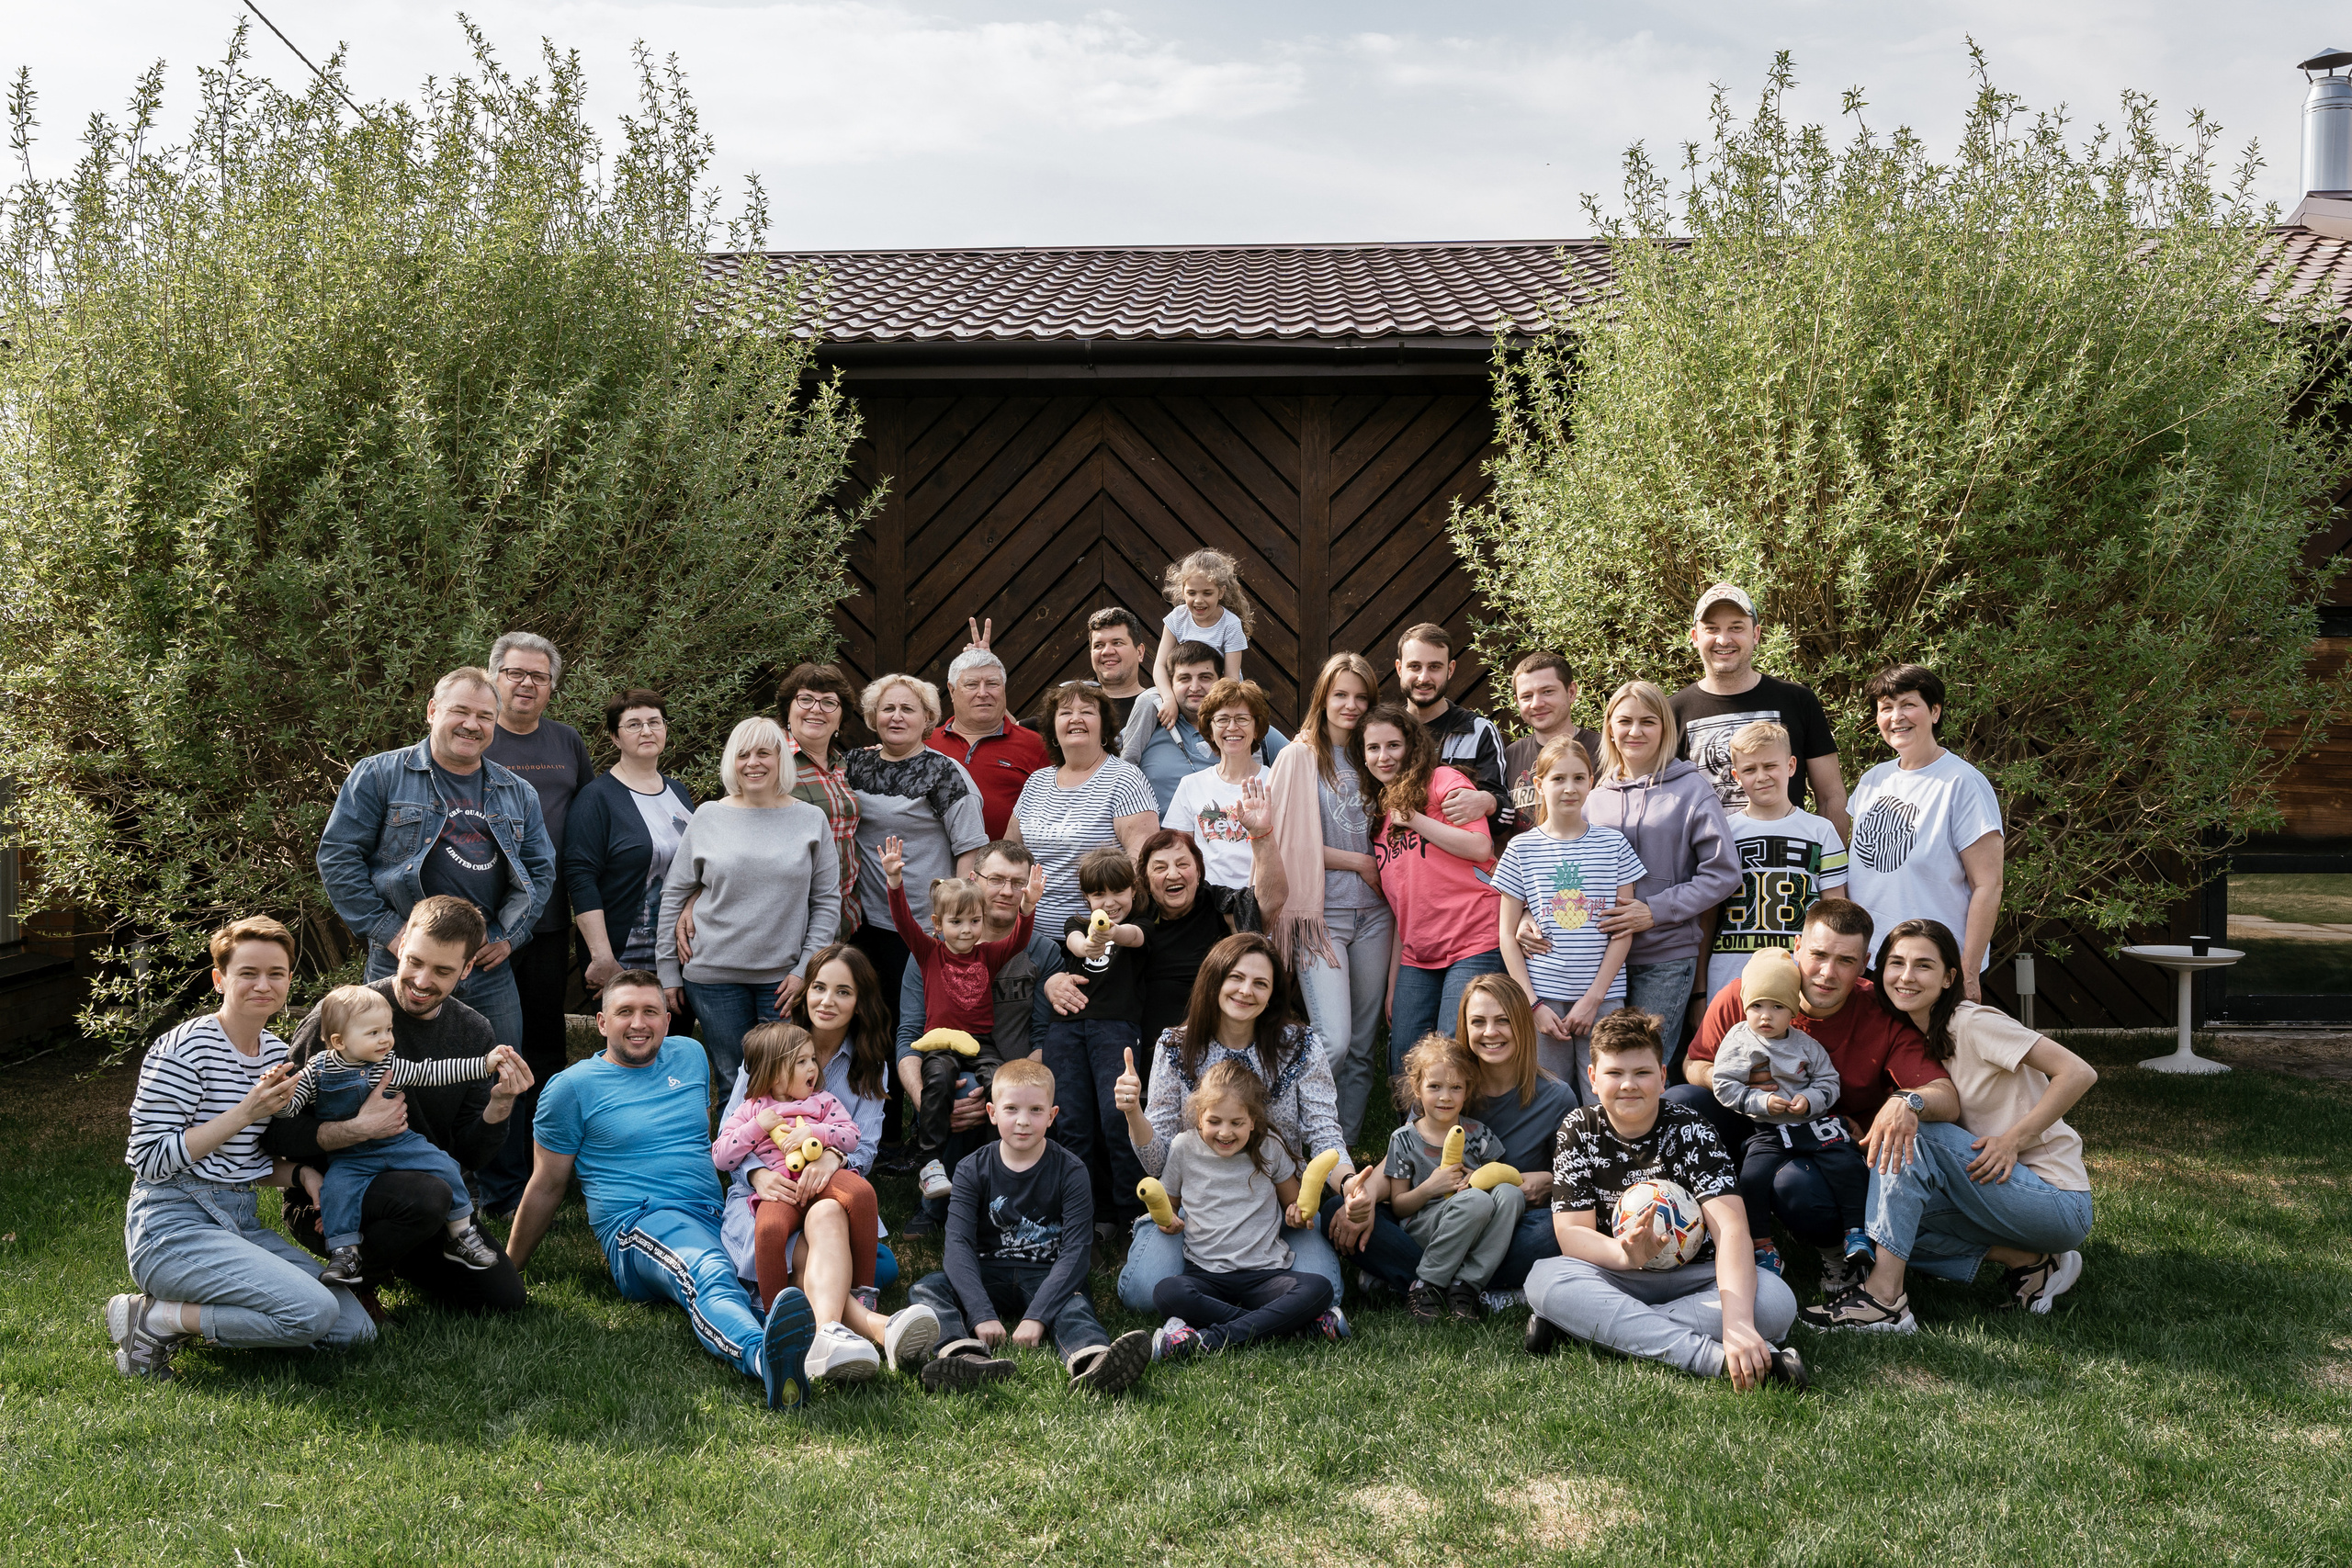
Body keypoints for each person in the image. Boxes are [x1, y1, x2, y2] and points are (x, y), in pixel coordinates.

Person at [507, 973, 824, 1411]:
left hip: (718, 1212)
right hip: (640, 1221)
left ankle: (841, 1342)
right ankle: (761, 1356)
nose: (639, 1023)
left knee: (831, 1255)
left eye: (650, 1012)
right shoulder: (571, 1089)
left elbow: (717, 1139)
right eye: (625, 1012)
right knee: (709, 1269)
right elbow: (546, 1185)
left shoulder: (690, 1056)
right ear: (601, 1022)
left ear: (668, 1019)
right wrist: (507, 1271)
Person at [107, 918, 374, 1380]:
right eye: (247, 973)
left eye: (276, 973)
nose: (262, 984)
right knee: (311, 1313)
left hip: (238, 1220)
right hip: (171, 1225)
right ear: (220, 979)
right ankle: (155, 1318)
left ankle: (181, 1313)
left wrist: (300, 1175)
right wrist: (246, 1112)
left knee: (354, 1331)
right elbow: (148, 1159)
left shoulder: (275, 1055)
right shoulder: (182, 1049)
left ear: (290, 980)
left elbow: (241, 1162)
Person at [1804, 919, 2097, 1332]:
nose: (1906, 976)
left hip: (2055, 1200)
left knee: (1913, 1131)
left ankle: (1885, 1300)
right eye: (1896, 963)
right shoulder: (1917, 1033)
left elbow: (2078, 1072)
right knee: (1882, 1227)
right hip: (1993, 1188)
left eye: (1923, 965)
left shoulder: (1973, 1022)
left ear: (1948, 978)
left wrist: (2015, 1140)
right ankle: (2029, 1263)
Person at [1673, 898, 1957, 1297]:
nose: (1827, 973)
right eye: (1818, 955)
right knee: (1681, 1102)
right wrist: (1738, 1086)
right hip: (1750, 1124)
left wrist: (1906, 1101)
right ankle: (1685, 1229)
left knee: (1796, 1188)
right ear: (1797, 947)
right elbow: (1693, 1062)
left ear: (1865, 963)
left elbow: (1945, 1096)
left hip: (1824, 1147)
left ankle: (1836, 1253)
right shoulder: (1750, 992)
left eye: (1845, 960)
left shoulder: (1882, 1012)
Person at [268, 897, 535, 1317]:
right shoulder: (341, 1015)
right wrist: (355, 1129)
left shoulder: (473, 1031)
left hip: (427, 1194)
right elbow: (273, 1133)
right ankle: (354, 1285)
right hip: (332, 1196)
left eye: (443, 971)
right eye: (414, 961)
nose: (421, 980)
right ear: (402, 943)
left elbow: (469, 1154)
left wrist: (499, 1107)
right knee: (429, 1195)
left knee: (502, 1299)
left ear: (467, 970)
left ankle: (402, 1253)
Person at [1522, 1008, 1806, 1389]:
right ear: (1592, 1078)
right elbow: (1572, 1233)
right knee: (1544, 1279)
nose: (1628, 1085)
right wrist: (1624, 1255)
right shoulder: (1578, 1129)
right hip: (1619, 1274)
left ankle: (1585, 1330)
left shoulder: (1691, 1128)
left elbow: (1732, 1228)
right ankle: (1714, 1359)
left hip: (1696, 1279)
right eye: (1614, 1073)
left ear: (1662, 1078)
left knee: (1775, 1301)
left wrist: (1737, 1321)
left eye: (1641, 1073)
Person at [316, 666, 557, 1061]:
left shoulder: (519, 793)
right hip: (402, 960)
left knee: (499, 1076)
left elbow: (540, 871)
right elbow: (338, 857)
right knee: (385, 1071)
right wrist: (389, 932)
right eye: (460, 711)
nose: (471, 724)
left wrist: (509, 935)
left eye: (484, 716)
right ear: (432, 711)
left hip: (484, 966)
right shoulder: (379, 775)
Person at [1112, 933, 1351, 1319]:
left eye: (1261, 983)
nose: (1246, 991)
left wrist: (1350, 1183)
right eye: (1236, 978)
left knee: (1328, 1288)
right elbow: (1158, 1164)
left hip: (1278, 1204)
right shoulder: (1176, 1047)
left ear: (1273, 993)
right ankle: (1266, 1308)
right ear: (1215, 980)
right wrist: (1132, 1114)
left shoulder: (1301, 1044)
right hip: (1199, 1208)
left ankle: (1217, 1307)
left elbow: (1324, 1133)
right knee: (1142, 1292)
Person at [717, 943, 919, 1382]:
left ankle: (822, 1337)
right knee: (834, 1257)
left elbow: (861, 1146)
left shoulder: (869, 1066)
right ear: (804, 992)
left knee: (830, 1219)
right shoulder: (771, 1051)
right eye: (819, 988)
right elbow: (728, 1138)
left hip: (828, 1193)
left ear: (860, 1001)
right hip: (769, 1192)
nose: (827, 1001)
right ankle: (872, 1328)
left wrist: (832, 1156)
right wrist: (758, 1173)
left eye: (843, 992)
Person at [910, 1058, 1155, 1393]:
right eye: (1011, 1109)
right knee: (928, 1288)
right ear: (992, 1112)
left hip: (1047, 1273)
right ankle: (963, 1355)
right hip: (986, 1271)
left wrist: (1037, 1316)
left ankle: (1093, 1361)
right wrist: (981, 1313)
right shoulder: (971, 1169)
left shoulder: (1071, 1170)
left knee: (1074, 1303)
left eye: (1036, 1110)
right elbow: (957, 1247)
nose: (1023, 1121)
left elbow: (1076, 1252)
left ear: (1052, 1116)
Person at [1328, 975, 1573, 1300]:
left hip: (1504, 1224)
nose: (1490, 1032)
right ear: (1465, 1027)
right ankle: (1474, 1287)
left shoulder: (1558, 1098)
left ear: (1523, 1026)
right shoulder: (1445, 1085)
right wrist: (1363, 1202)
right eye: (1478, 1022)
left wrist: (1541, 1180)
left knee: (1553, 1231)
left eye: (1503, 1021)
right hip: (1433, 1218)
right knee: (1334, 1208)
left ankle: (1414, 1280)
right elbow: (1400, 1159)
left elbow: (1574, 1182)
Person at [656, 715, 842, 1105]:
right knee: (733, 1080)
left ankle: (787, 1161)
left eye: (764, 753)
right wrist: (668, 971)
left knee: (789, 1078)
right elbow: (675, 895)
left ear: (782, 760)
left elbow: (826, 902)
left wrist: (804, 970)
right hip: (712, 976)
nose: (753, 763)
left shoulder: (810, 820)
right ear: (731, 762)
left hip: (783, 980)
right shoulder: (708, 816)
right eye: (743, 754)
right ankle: (737, 1163)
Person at [283, 984, 511, 1283]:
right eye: (374, 1033)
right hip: (350, 1156)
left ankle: (461, 1233)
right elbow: (291, 1109)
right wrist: (278, 1098)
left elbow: (433, 1072)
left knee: (445, 1166)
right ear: (339, 1041)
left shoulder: (388, 1065)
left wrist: (482, 1065)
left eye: (388, 1030)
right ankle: (345, 1255)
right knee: (336, 1191)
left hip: (399, 1145)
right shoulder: (317, 1070)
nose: (386, 1039)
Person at [479, 632, 595, 1213]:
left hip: (547, 922)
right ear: (494, 675)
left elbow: (589, 820)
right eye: (516, 673)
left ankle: (543, 1172)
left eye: (539, 676)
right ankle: (486, 1170)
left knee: (545, 1047)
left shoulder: (567, 742)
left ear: (551, 686)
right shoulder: (474, 735)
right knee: (488, 1047)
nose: (527, 684)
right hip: (484, 931)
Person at [896, 841, 1064, 1237]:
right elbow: (908, 1034)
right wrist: (924, 1101)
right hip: (949, 1062)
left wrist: (1017, 1094)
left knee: (990, 1092)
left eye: (1018, 883)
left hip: (1011, 1070)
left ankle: (1001, 1200)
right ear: (974, 879)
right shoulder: (930, 952)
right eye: (997, 879)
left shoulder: (1043, 952)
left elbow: (1041, 1037)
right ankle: (937, 1203)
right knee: (960, 1088)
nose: (1007, 891)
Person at [1581, 680, 1740, 1066]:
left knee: (1645, 1065)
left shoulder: (1691, 790)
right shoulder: (1594, 797)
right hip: (1597, 960)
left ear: (1665, 729)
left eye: (1647, 722)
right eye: (1625, 721)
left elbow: (1724, 873)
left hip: (1665, 957)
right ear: (1609, 727)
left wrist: (1654, 910)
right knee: (1603, 1069)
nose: (1635, 732)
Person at [1266, 651, 1390, 1141]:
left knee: (1362, 1045)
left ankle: (1347, 1155)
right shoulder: (1298, 756)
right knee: (1332, 1041)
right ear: (1323, 697)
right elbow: (1284, 839)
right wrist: (1360, 862)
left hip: (1378, 916)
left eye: (1362, 697)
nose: (1352, 705)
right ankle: (1298, 1138)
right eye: (1341, 694)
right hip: (1323, 918)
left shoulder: (1377, 752)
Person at [1144, 1060, 1336, 1361]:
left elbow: (1294, 1204)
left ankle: (1210, 1339)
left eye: (1236, 1123)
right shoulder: (1183, 1147)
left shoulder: (1269, 1147)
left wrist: (1297, 1215)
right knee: (1168, 1292)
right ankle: (1283, 1326)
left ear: (1253, 1121)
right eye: (1215, 1121)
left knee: (1320, 1288)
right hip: (1205, 1274)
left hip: (1265, 1273)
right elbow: (1170, 1206)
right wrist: (1169, 1221)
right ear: (1199, 1117)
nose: (1225, 1132)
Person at [1493, 736, 1645, 1093]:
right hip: (1543, 998)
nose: (1569, 788)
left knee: (1604, 1095)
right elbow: (1506, 935)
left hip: (1603, 998)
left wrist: (1594, 999)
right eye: (1558, 779)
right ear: (1539, 784)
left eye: (1579, 778)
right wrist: (1532, 1005)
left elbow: (1623, 931)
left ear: (1591, 782)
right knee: (1550, 1095)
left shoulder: (1614, 845)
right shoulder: (1521, 848)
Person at [1846, 664, 2005, 999]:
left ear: (1935, 711)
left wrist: (1969, 972)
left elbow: (1988, 885)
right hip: (1873, 960)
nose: (1896, 716)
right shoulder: (1872, 780)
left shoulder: (1962, 783)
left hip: (1932, 966)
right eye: (1886, 708)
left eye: (1908, 704)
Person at [1362, 703, 1502, 1066]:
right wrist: (1394, 984)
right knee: (1403, 1064)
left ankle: (1459, 1126)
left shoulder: (1442, 780)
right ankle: (1409, 1127)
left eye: (1393, 745)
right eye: (1373, 748)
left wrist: (1414, 820)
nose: (1383, 756)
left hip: (1473, 941)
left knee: (1451, 1060)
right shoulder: (1378, 817)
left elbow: (1479, 846)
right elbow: (1400, 909)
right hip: (1417, 956)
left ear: (1412, 745)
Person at [710, 1021, 875, 1334]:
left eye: (812, 1059)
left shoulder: (823, 1102)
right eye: (801, 1062)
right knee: (769, 1230)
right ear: (772, 1072)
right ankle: (776, 1316)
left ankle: (864, 1292)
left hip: (823, 1179)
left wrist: (815, 1131)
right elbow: (721, 1156)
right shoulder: (751, 1109)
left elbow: (852, 1136)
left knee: (862, 1194)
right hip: (780, 1189)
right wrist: (757, 1126)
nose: (813, 1067)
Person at [844, 671, 989, 1024]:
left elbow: (969, 847)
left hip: (921, 925)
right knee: (866, 1020)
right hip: (860, 920)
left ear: (927, 718)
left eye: (907, 709)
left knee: (910, 1019)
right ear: (872, 716)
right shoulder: (852, 765)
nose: (896, 716)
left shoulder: (944, 773)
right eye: (887, 708)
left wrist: (956, 917)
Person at [886, 831, 1041, 1156]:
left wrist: (1028, 907)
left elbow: (1019, 941)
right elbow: (903, 923)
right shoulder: (929, 952)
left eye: (974, 921)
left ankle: (994, 1160)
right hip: (941, 1041)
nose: (967, 929)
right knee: (939, 1081)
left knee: (998, 1086)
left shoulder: (989, 955)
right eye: (956, 922)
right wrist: (895, 882)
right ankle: (929, 1160)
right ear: (938, 924)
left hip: (981, 1042)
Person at [1711, 948, 1862, 1280]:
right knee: (1751, 1177)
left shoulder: (1805, 1045)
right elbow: (1723, 1084)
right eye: (1756, 1006)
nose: (1765, 1016)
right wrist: (1760, 1103)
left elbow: (1828, 1080)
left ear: (1792, 1011)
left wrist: (1809, 1100)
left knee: (1846, 1160)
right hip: (1767, 1129)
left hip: (1810, 1123)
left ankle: (1855, 1231)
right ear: (1745, 1007)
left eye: (1777, 1007)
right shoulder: (1738, 1041)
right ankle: (1762, 1245)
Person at [1354, 1033, 1525, 1324]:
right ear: (1417, 1088)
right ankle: (1426, 1284)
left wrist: (1480, 1177)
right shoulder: (1405, 1140)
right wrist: (1430, 1187)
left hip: (1477, 1224)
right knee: (1475, 1201)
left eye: (1456, 1087)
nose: (1445, 1096)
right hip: (1425, 1226)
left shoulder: (1478, 1135)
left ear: (1467, 1091)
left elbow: (1499, 1187)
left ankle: (1466, 1286)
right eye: (1435, 1086)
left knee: (1512, 1194)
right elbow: (1399, 1207)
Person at [1670, 583, 1851, 840]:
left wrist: (1831, 867)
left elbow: (1830, 794)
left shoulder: (1798, 700)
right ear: (1695, 636)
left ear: (1756, 634)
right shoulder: (1673, 711)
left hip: (1789, 868)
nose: (1724, 640)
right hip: (1706, 872)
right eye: (1712, 629)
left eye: (1736, 627)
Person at [1043, 847, 1151, 1230]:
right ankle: (1081, 1221)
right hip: (1066, 1029)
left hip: (1116, 1030)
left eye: (1118, 891)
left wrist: (1109, 932)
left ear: (1134, 890)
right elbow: (1074, 941)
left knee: (1117, 1118)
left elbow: (1133, 937)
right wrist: (1087, 942)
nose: (1109, 902)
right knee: (1070, 1121)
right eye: (1098, 895)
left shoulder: (1142, 923)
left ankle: (1130, 1217)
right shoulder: (1077, 922)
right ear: (1087, 898)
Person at [1703, 720, 1849, 1002]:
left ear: (1791, 766)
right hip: (1729, 974)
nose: (1761, 777)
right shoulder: (1722, 832)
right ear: (1736, 775)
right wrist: (1699, 993)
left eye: (1770, 766)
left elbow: (1835, 914)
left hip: (1798, 975)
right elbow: (1706, 919)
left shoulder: (1821, 831)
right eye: (1749, 769)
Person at [566, 689, 696, 990]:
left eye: (655, 722)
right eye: (634, 724)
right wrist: (602, 957)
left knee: (677, 1038)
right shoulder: (596, 798)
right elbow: (580, 878)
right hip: (624, 954)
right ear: (615, 737)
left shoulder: (678, 792)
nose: (647, 730)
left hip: (681, 951)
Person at [1008, 682, 1159, 933]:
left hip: (1095, 936)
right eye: (1066, 712)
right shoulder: (1036, 782)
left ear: (1104, 729)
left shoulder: (1124, 779)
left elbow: (1140, 861)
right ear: (1053, 730)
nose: (1075, 718)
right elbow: (1010, 853)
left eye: (1087, 712)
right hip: (1029, 937)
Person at [1120, 640, 1290, 813]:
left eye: (1205, 677)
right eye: (1184, 678)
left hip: (1233, 835)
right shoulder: (1145, 729)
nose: (1195, 687)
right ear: (1170, 683)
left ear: (1221, 680)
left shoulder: (1244, 729)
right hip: (1158, 836)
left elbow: (1298, 763)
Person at [1161, 678, 1282, 892]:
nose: (1232, 727)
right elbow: (1177, 853)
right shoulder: (1191, 786)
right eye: (1223, 719)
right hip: (1208, 904)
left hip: (1263, 899)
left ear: (1257, 728)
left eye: (1242, 719)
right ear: (1210, 729)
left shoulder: (1276, 783)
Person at [778, 663, 866, 950]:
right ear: (788, 710)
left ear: (841, 719)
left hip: (844, 919)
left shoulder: (843, 764)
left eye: (829, 702)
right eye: (805, 699)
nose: (816, 709)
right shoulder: (769, 760)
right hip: (790, 924)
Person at [929, 647, 1049, 840]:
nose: (983, 693)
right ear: (951, 690)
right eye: (972, 684)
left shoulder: (1036, 746)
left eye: (992, 684)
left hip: (1007, 868)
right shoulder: (924, 743)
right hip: (935, 868)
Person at [1393, 624, 1505, 833]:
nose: (1423, 678)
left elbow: (1504, 819)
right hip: (1395, 860)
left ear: (1450, 669)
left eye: (1434, 667)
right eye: (1414, 666)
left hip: (1459, 860)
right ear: (1400, 669)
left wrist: (1488, 802)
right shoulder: (1384, 733)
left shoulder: (1479, 731)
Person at [1498, 652, 1602, 845]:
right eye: (1527, 696)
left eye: (1547, 691)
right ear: (1517, 701)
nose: (1537, 703)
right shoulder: (1510, 756)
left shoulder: (1604, 750)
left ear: (1571, 692)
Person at [1151, 547, 1251, 725]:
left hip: (1219, 692)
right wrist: (1168, 698)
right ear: (1183, 592)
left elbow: (1230, 678)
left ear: (1221, 592)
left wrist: (1215, 705)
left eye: (1207, 593)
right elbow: (1159, 665)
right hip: (1183, 689)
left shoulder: (1231, 624)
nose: (1198, 600)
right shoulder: (1177, 618)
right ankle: (1129, 751)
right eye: (1192, 593)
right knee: (1146, 701)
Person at [1086, 606, 1155, 732]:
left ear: (1140, 652)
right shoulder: (1075, 712)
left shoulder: (1160, 707)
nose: (1107, 651)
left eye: (1117, 643)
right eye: (1099, 645)